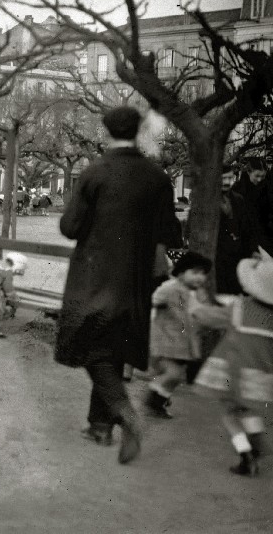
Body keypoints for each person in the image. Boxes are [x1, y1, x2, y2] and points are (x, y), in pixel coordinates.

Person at [55, 106, 182, 465]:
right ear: (138, 131)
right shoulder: (158, 178)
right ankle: (99, 426)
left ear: (107, 131)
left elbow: (70, 227)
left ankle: (125, 413)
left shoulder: (94, 173)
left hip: (94, 277)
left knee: (91, 348)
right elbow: (171, 232)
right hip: (137, 281)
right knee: (111, 350)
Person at [192, 248, 273, 477]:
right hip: (261, 374)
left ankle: (246, 456)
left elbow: (209, 317)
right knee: (246, 409)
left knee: (229, 414)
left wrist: (196, 308)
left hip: (234, 371)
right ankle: (255, 439)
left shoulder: (240, 306)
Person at [145, 251, 212, 419]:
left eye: (203, 273)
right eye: (195, 272)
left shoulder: (200, 294)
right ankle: (153, 397)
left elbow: (203, 312)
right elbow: (154, 300)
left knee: (175, 377)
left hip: (184, 343)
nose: (199, 277)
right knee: (173, 373)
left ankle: (159, 400)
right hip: (166, 339)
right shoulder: (171, 288)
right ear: (181, 273)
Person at [216, 165, 270, 294]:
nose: (227, 182)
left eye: (230, 178)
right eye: (223, 178)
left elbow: (247, 228)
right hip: (217, 256)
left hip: (237, 255)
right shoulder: (206, 201)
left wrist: (253, 250)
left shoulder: (238, 199)